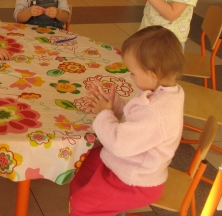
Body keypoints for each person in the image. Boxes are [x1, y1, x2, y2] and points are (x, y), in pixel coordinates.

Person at [69, 26, 185, 216]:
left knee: (82, 204)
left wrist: (104, 114)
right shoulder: (164, 90)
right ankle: (90, 203)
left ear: (152, 74)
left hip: (134, 181)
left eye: (133, 73)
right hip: (127, 163)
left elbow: (118, 144)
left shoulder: (157, 113)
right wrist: (115, 106)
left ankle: (84, 208)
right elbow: (136, 121)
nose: (131, 76)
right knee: (86, 162)